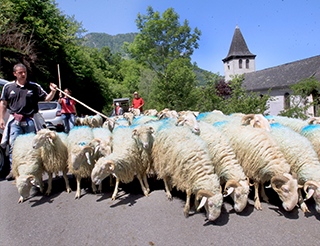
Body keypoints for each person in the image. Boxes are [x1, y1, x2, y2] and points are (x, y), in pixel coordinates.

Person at [0, 63, 57, 180]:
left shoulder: (34, 86)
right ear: (14, 74)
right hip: (15, 120)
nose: (23, 74)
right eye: (20, 72)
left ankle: (33, 168)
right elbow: (3, 103)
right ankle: (13, 169)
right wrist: (1, 118)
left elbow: (46, 98)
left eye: (25, 72)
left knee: (33, 145)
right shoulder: (8, 87)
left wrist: (53, 91)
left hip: (30, 119)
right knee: (14, 145)